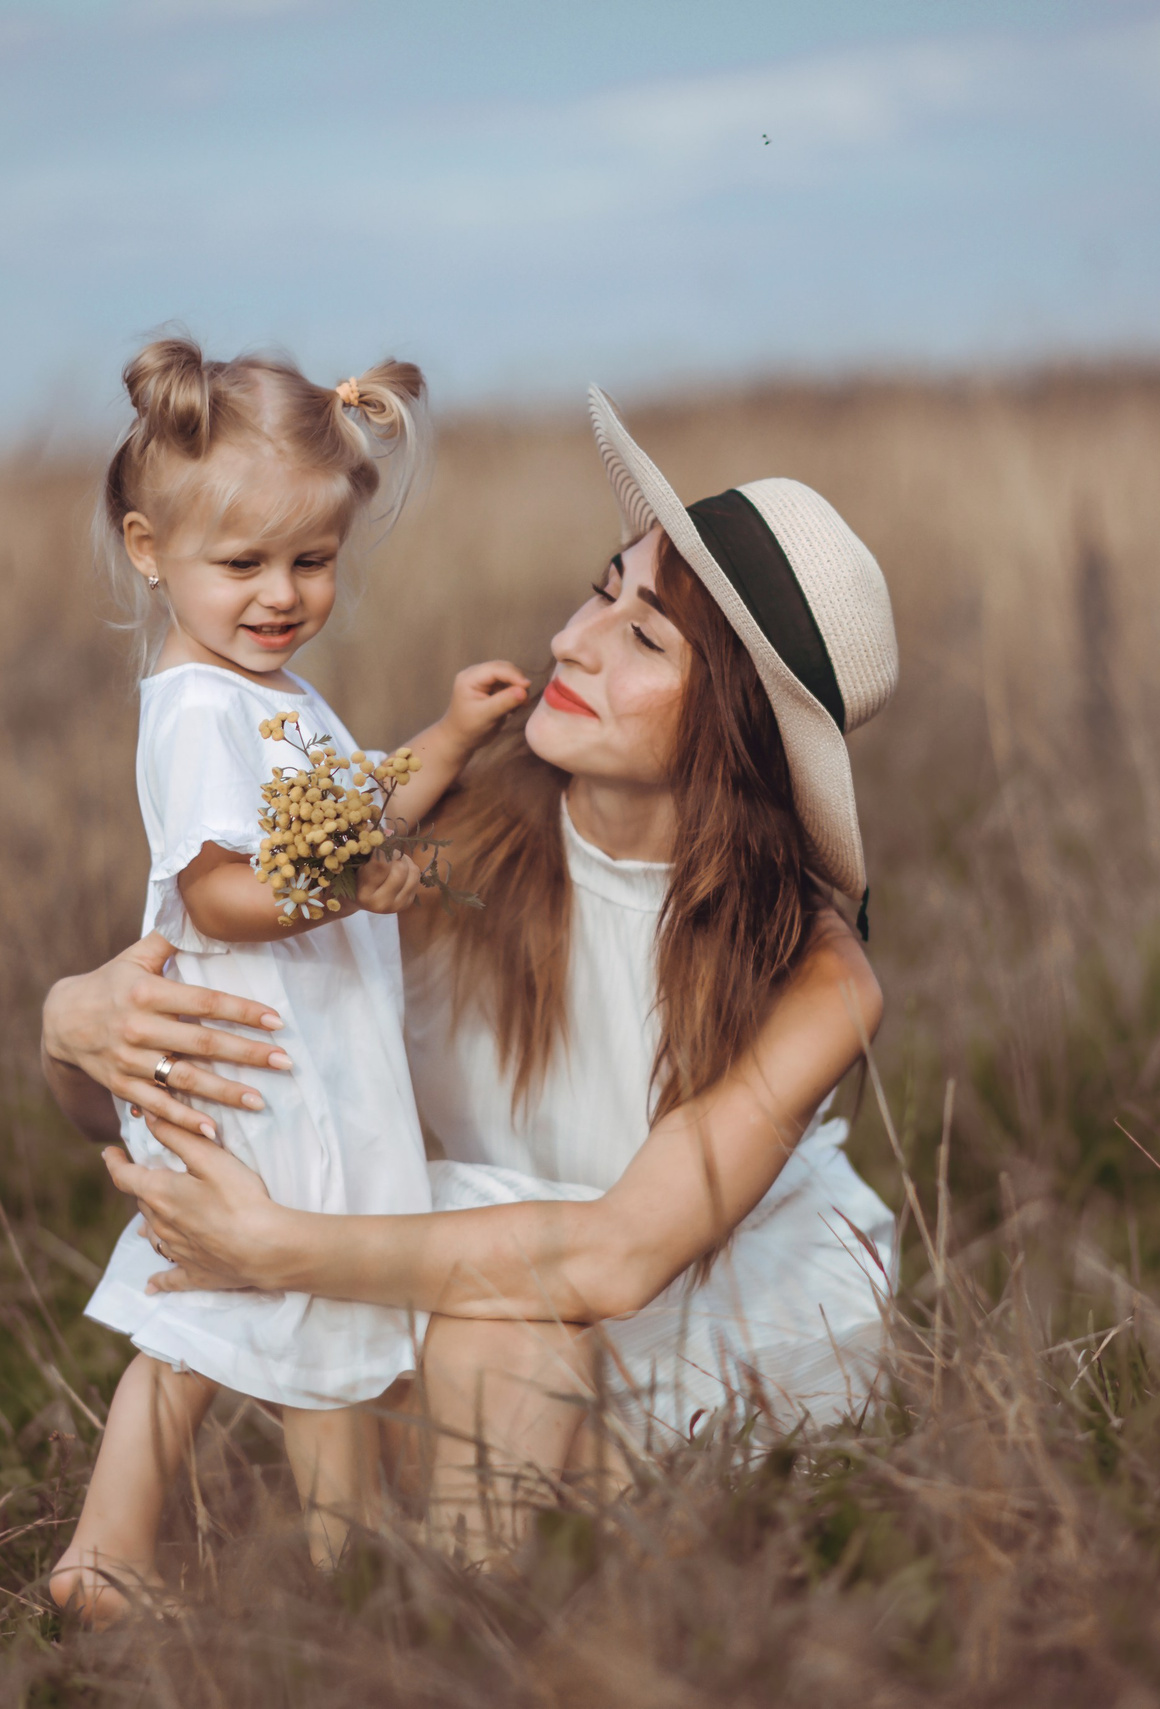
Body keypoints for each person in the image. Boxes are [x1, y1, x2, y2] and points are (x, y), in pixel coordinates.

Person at [44, 387, 899, 1562]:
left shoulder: (816, 973)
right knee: (495, 1335)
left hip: (693, 1343)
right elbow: (212, 1093)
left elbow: (610, 1257)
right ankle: (417, 1631)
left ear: (737, 728)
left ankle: (474, 1627)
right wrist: (71, 1030)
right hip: (462, 1312)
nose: (571, 640)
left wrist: (275, 1247)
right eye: (602, 590)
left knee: (509, 1329)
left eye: (643, 636)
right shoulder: (439, 852)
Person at [48, 337, 530, 1621]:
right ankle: (119, 1553)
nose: (281, 593)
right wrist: (344, 883)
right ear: (148, 549)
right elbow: (218, 892)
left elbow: (350, 806)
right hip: (255, 1059)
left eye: (310, 561)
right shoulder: (200, 710)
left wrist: (449, 736)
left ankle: (344, 1556)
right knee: (216, 1307)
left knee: (290, 1301)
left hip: (307, 1054)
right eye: (242, 563)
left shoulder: (268, 692)